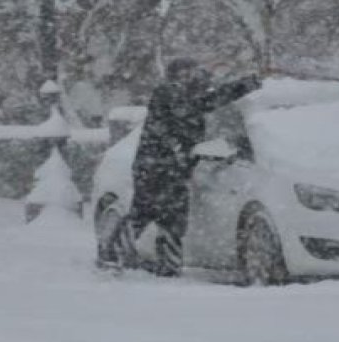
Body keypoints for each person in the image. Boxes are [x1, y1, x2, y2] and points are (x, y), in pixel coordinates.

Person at [109, 58, 262, 275]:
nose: (197, 77)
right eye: (191, 73)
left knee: (167, 219)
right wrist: (241, 86)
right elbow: (198, 106)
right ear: (179, 76)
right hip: (157, 167)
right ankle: (115, 256)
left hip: (169, 167)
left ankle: (162, 264)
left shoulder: (184, 95)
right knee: (147, 214)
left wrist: (244, 85)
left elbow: (207, 101)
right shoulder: (169, 93)